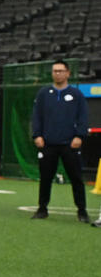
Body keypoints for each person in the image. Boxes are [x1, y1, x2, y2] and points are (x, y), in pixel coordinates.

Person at [30, 59, 90, 222]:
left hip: (70, 144)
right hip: (48, 144)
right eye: (54, 71)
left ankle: (82, 211)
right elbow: (36, 116)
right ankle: (42, 209)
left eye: (60, 71)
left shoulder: (76, 94)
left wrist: (79, 136)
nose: (57, 74)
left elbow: (83, 117)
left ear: (68, 73)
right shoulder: (43, 94)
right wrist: (37, 135)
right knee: (45, 178)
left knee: (76, 178)